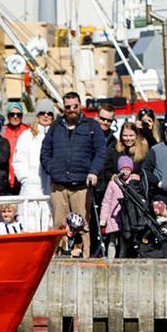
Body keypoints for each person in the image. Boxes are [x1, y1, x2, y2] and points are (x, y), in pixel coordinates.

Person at [42, 91, 102, 255]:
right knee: (60, 227)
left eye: (75, 106)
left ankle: (85, 259)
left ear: (80, 105)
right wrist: (53, 169)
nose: (71, 110)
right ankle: (58, 258)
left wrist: (93, 171)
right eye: (68, 107)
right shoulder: (55, 126)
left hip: (81, 187)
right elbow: (45, 152)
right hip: (59, 187)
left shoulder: (91, 126)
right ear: (64, 108)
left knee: (82, 227)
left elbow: (100, 152)